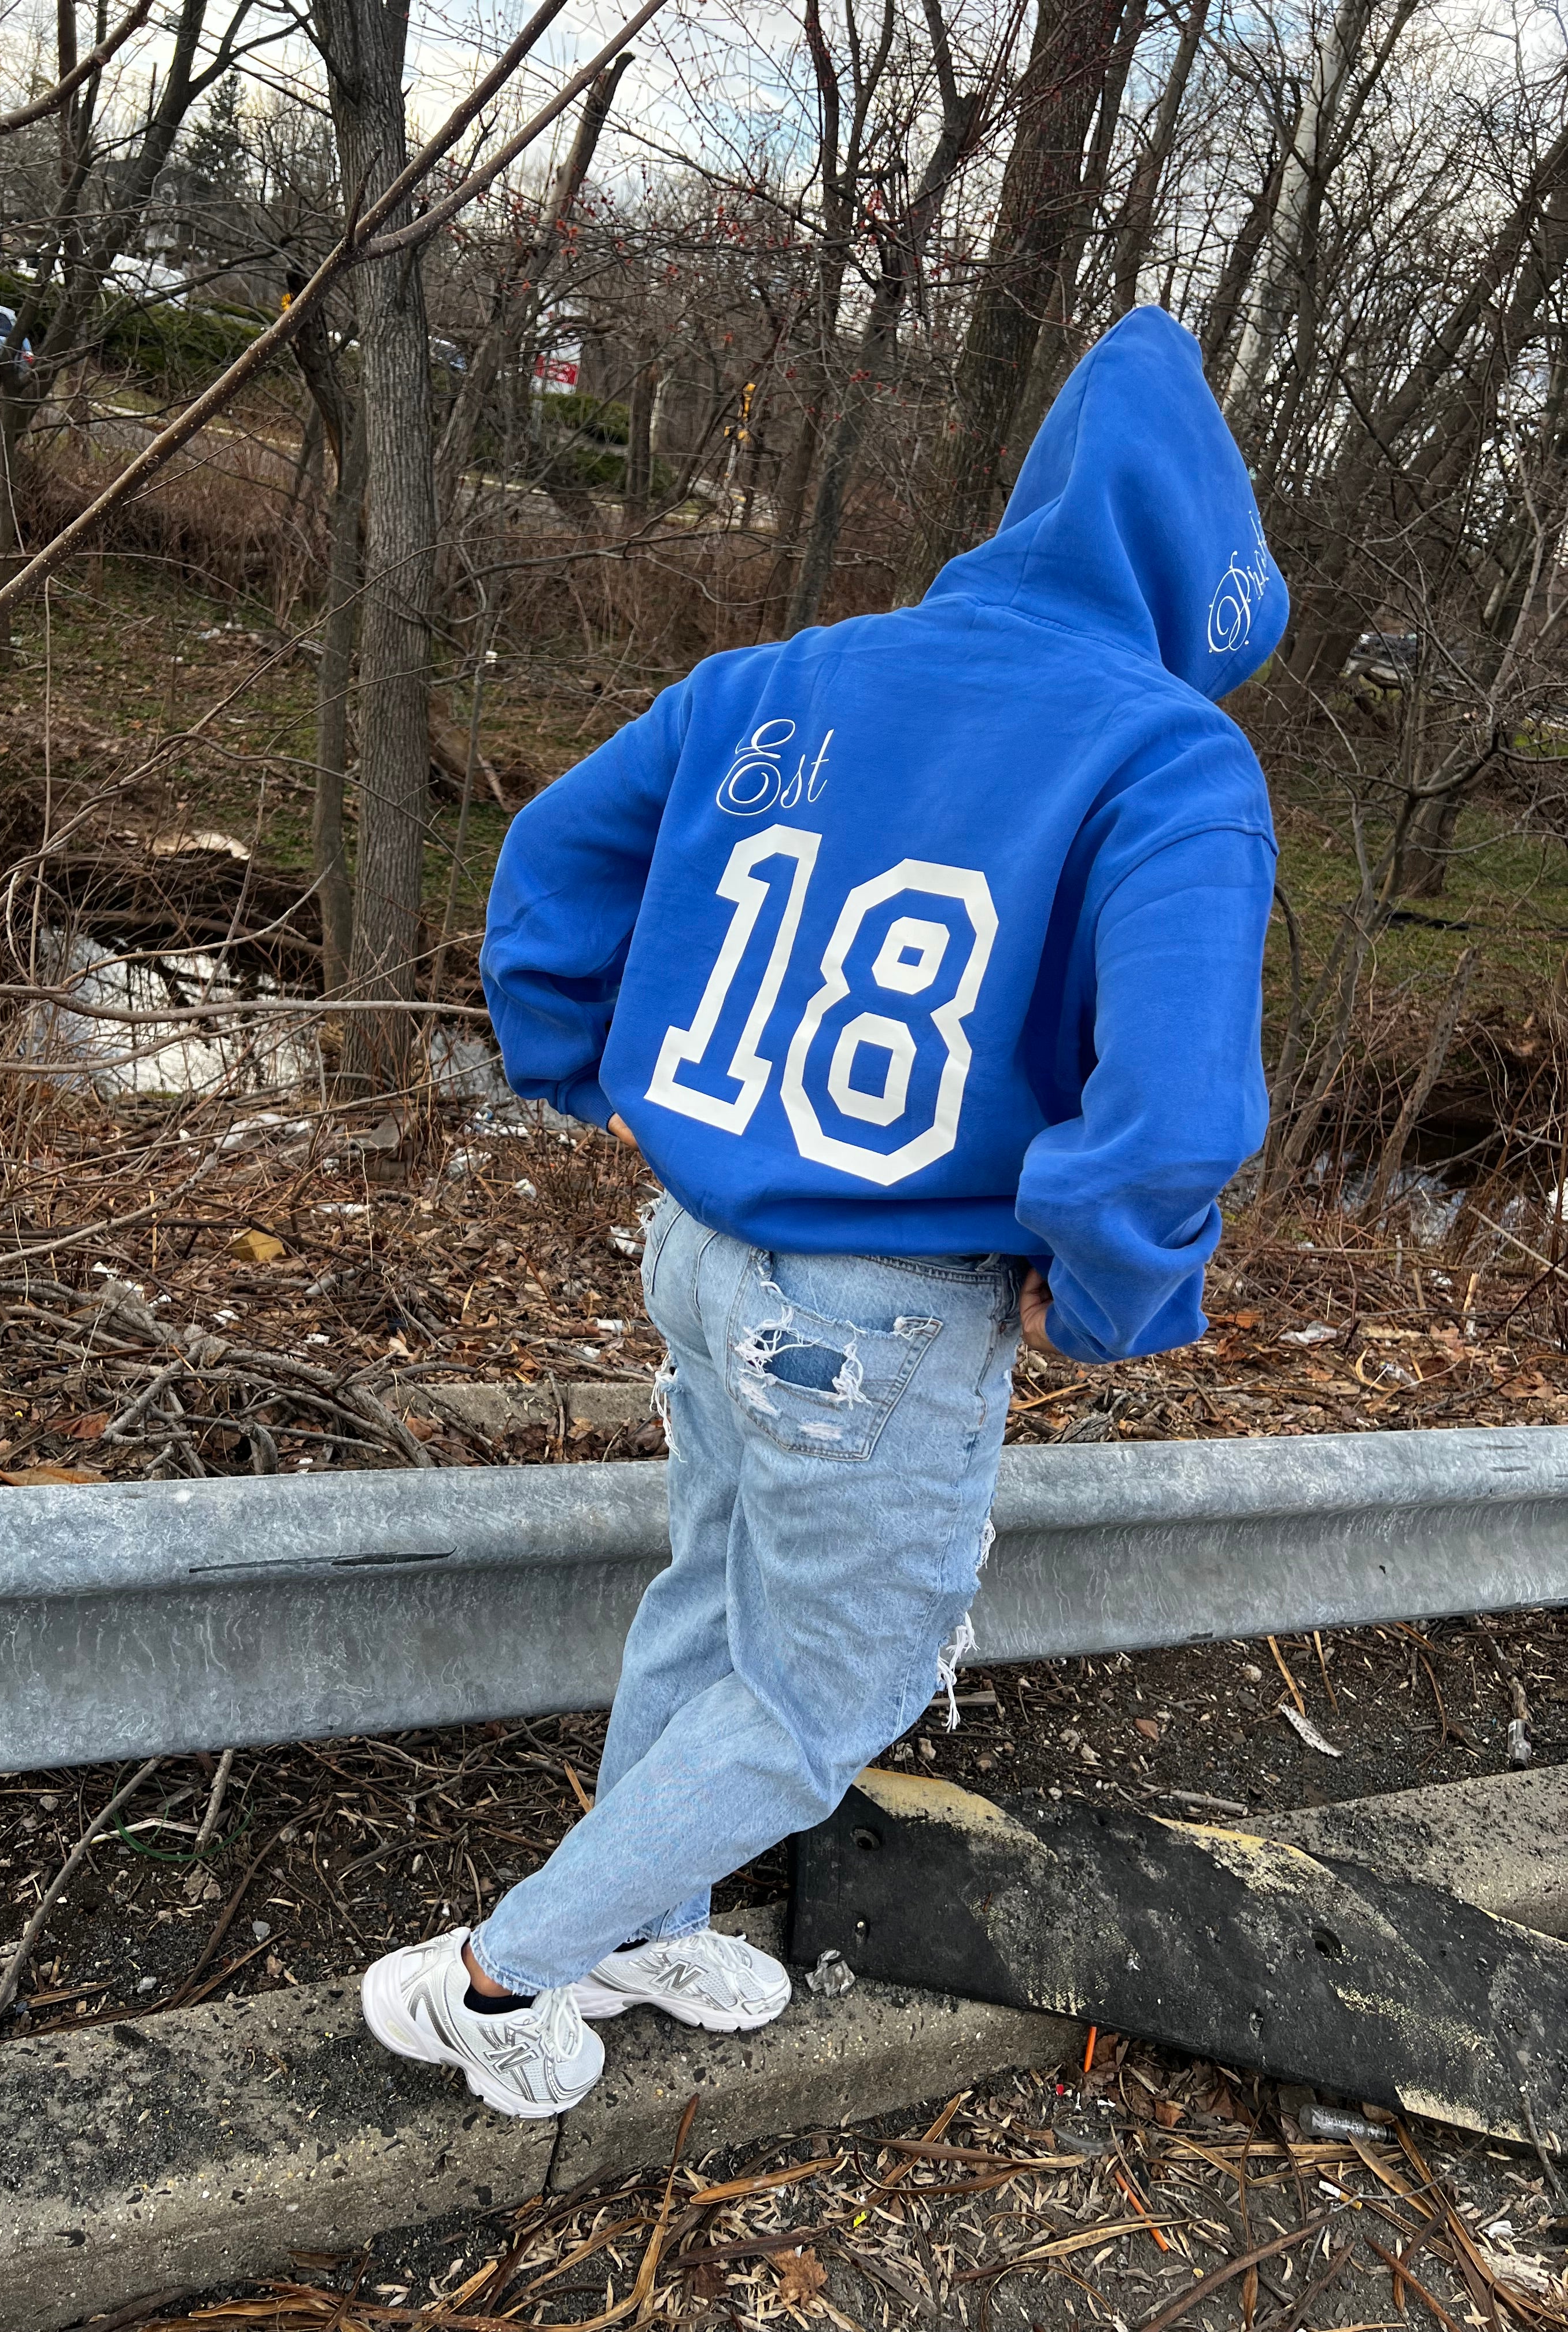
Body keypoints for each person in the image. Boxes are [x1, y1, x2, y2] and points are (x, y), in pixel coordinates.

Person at [360, 306, 1289, 2119]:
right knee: (824, 1696)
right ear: (1210, 576)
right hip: (880, 1316)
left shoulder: (780, 676)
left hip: (707, 1261)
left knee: (712, 1599)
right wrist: (1105, 1296)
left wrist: (578, 1059)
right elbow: (1175, 1116)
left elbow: (554, 853)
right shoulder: (1170, 757)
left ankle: (643, 1922)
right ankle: (499, 1981)